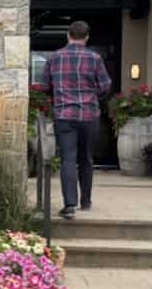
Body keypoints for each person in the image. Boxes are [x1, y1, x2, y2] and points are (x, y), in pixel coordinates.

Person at [43, 20, 112, 219]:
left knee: (67, 159)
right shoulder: (95, 58)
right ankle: (86, 201)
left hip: (64, 115)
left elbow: (45, 85)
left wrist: (58, 96)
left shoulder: (54, 58)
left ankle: (70, 205)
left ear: (68, 35)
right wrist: (92, 96)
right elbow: (106, 86)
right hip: (89, 114)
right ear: (87, 37)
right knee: (86, 159)